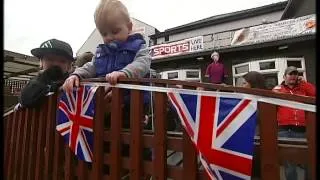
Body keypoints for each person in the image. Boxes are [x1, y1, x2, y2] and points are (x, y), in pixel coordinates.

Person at [272, 66, 315, 180]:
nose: (293, 76)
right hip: (284, 130)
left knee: (308, 162)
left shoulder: (303, 89)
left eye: (295, 73)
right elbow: (271, 106)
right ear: (284, 76)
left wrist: (304, 83)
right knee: (289, 164)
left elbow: (314, 93)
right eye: (290, 74)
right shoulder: (277, 89)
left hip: (302, 130)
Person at [16, 39, 74, 109]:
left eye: (62, 61)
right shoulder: (34, 82)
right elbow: (26, 101)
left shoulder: (73, 82)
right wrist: (44, 78)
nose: (55, 64)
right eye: (50, 59)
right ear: (41, 62)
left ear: (69, 66)